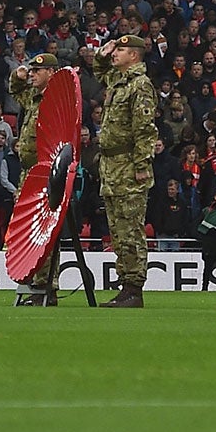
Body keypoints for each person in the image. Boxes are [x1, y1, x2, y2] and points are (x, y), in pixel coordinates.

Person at [90, 34, 160, 309]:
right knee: (118, 230)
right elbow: (100, 71)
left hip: (129, 166)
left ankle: (134, 287)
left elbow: (144, 130)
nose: (114, 53)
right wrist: (102, 53)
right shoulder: (120, 81)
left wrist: (142, 165)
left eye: (120, 50)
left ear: (134, 55)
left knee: (130, 229)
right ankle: (126, 285)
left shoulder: (139, 85)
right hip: (112, 167)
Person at [8, 52, 61, 306]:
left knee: (45, 229)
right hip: (28, 171)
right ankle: (35, 281)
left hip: (47, 172)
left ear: (51, 72)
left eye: (37, 71)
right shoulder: (33, 96)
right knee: (29, 227)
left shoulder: (58, 97)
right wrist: (17, 76)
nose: (32, 74)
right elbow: (15, 90)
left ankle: (46, 285)